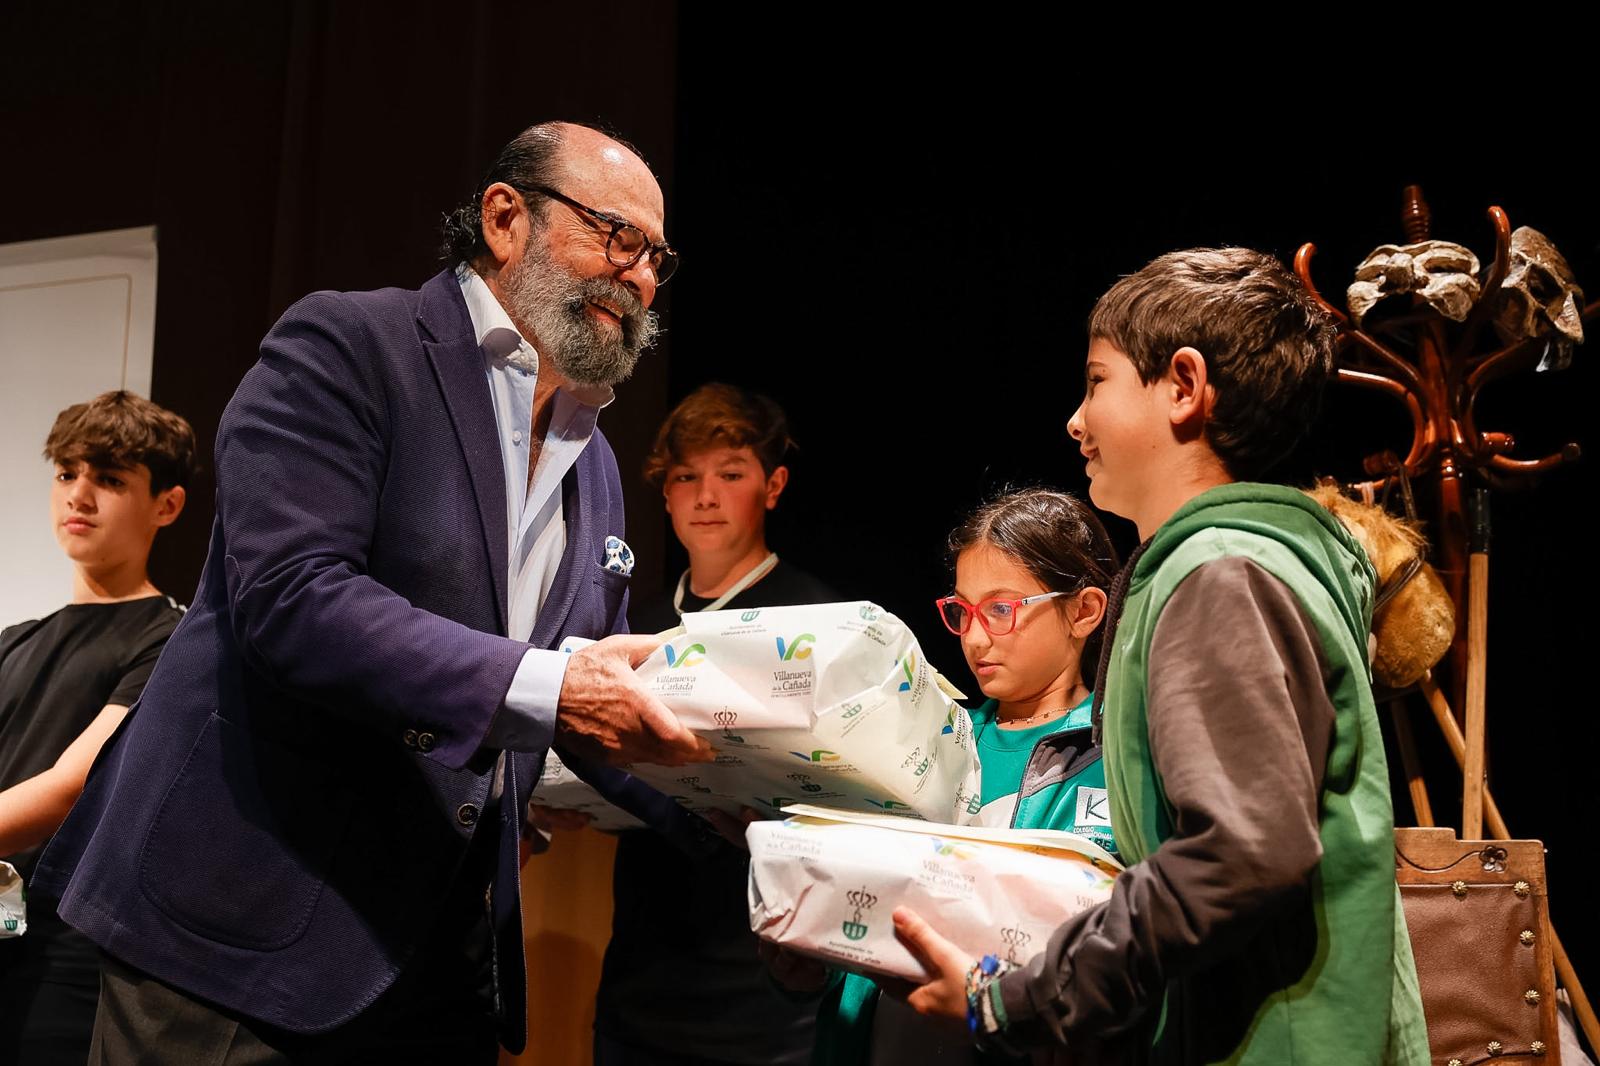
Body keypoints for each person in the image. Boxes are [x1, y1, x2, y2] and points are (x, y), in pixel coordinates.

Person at [32, 121, 711, 1064]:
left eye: (656, 259)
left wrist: (750, 801)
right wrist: (560, 692)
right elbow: (294, 599)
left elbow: (588, 697)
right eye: (616, 236)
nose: (638, 277)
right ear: (505, 217)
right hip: (239, 937)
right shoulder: (350, 344)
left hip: (437, 964)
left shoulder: (593, 463)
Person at [892, 248, 1431, 1064]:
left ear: (1183, 386)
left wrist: (1021, 998)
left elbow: (1241, 851)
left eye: (1097, 382)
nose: (1076, 420)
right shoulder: (1250, 558)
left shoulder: (1221, 571)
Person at [803, 488, 1117, 1066]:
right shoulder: (924, 737)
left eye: (1002, 609)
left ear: (1084, 611)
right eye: (962, 611)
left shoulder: (1115, 756)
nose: (974, 639)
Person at [591, 382, 840, 1066]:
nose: (705, 495)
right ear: (663, 491)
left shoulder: (817, 620)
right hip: (640, 982)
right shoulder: (628, 623)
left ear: (774, 485)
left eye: (731, 474)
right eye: (685, 476)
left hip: (761, 992)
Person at [0, 391, 193, 1066]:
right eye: (67, 474)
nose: (79, 496)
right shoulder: (17, 640)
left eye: (109, 480)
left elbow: (73, 785)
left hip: (70, 955)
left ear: (166, 506)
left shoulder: (171, 638)